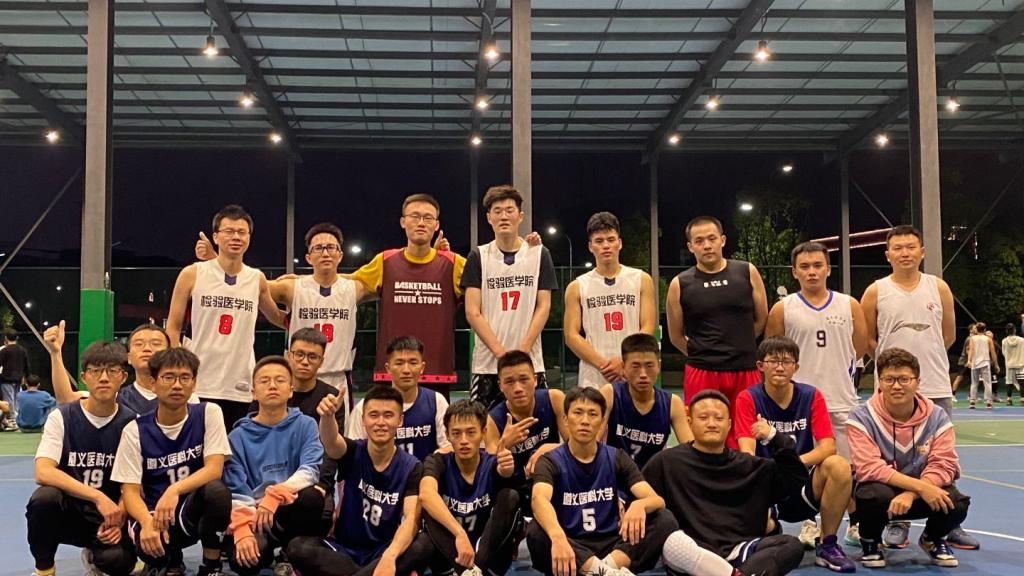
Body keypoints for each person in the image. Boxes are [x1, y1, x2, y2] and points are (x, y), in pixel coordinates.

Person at [764, 241, 868, 546]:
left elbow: (859, 347)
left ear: (828, 269)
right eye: (805, 266)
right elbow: (773, 353)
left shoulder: (849, 304)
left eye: (817, 265)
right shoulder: (783, 309)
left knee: (846, 469)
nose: (812, 272)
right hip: (800, 405)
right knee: (803, 467)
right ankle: (809, 523)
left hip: (841, 400)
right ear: (794, 272)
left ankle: (852, 523)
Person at [645, 389, 807, 576]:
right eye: (703, 418)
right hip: (693, 555)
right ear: (690, 423)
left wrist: (774, 437)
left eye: (719, 418)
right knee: (673, 544)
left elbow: (797, 481)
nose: (711, 424)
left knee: (791, 545)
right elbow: (642, 501)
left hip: (740, 552)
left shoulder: (750, 466)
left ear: (729, 425)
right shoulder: (666, 462)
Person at [734, 337, 856, 573]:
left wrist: (792, 464)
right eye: (773, 361)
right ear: (760, 366)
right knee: (760, 533)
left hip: (802, 480)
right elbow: (747, 453)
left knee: (839, 465)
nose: (780, 367)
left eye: (787, 361)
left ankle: (828, 544)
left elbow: (828, 447)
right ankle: (770, 530)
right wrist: (775, 470)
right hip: (767, 483)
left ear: (796, 367)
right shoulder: (748, 398)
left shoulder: (811, 395)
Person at [527, 387, 677, 576]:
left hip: (612, 545)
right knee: (537, 531)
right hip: (571, 545)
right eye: (578, 413)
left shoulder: (616, 457)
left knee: (664, 519)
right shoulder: (550, 460)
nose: (585, 421)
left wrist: (640, 504)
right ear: (565, 419)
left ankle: (602, 570)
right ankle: (607, 572)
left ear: (602, 423)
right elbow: (539, 499)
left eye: (593, 414)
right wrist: (558, 537)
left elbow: (657, 500)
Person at [112, 348, 233, 576]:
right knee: (153, 552)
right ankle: (170, 560)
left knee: (217, 491)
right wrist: (146, 522)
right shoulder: (135, 430)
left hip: (191, 510)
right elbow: (130, 491)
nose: (177, 385)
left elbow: (214, 469)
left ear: (194, 383)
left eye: (185, 378)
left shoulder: (208, 413)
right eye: (168, 377)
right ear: (153, 383)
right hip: (154, 514)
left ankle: (211, 567)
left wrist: (174, 490)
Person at [847, 348, 971, 568]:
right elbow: (869, 468)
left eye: (904, 379)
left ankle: (932, 539)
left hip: (919, 493)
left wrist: (912, 493)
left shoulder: (937, 416)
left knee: (957, 503)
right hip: (884, 493)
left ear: (917, 382)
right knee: (871, 496)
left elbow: (944, 464)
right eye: (889, 379)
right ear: (880, 382)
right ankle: (871, 541)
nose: (897, 386)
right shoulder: (861, 416)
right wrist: (921, 488)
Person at [167, 204, 288, 429]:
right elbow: (172, 328)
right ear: (215, 236)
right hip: (199, 381)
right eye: (229, 231)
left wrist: (305, 311)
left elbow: (278, 318)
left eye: (242, 232)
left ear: (249, 238)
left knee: (235, 447)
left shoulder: (256, 278)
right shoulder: (193, 273)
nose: (236, 237)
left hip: (240, 382)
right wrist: (181, 370)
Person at [287, 385, 427, 576]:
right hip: (343, 549)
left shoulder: (412, 466)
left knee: (423, 544)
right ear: (363, 420)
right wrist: (328, 417)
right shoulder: (353, 451)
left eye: (388, 415)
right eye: (373, 415)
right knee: (297, 548)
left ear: (400, 420)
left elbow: (411, 519)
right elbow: (331, 442)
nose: (380, 422)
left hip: (383, 550)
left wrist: (390, 556)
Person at [26, 341, 137, 576]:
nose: (104, 378)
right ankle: (44, 570)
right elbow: (43, 471)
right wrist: (97, 496)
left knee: (119, 562)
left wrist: (119, 516)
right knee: (44, 499)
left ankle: (97, 556)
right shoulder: (62, 417)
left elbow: (135, 482)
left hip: (110, 515)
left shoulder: (132, 423)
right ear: (84, 377)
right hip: (71, 511)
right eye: (96, 371)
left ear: (123, 377)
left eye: (112, 371)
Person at [666, 216, 768, 448]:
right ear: (690, 246)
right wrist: (704, 354)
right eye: (699, 241)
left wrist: (738, 346)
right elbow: (676, 335)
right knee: (705, 437)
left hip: (745, 369)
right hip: (702, 371)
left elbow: (762, 319)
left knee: (748, 437)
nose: (707, 245)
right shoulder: (680, 284)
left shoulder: (747, 272)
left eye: (712, 239)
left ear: (722, 240)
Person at [349, 194, 465, 395]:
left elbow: (490, 284)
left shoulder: (453, 263)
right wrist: (302, 280)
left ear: (436, 225)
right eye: (415, 216)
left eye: (428, 218)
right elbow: (344, 283)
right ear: (403, 222)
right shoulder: (385, 261)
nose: (421, 223)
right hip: (391, 374)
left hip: (437, 372)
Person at [224, 356, 325, 575]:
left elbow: (310, 471)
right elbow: (236, 488)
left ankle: (289, 552)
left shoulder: (306, 425)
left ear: (290, 391)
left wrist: (275, 495)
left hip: (288, 507)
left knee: (312, 497)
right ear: (253, 392)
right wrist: (242, 528)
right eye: (264, 381)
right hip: (255, 513)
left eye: (280, 380)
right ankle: (268, 553)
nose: (272, 385)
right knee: (244, 562)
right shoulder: (236, 437)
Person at [463, 185, 557, 408]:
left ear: (520, 216)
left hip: (530, 363)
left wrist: (523, 351)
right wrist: (501, 354)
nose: (503, 216)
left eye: (509, 210)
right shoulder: (478, 256)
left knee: (536, 424)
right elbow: (472, 311)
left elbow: (543, 307)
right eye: (497, 211)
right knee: (483, 425)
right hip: (488, 365)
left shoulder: (539, 254)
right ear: (489, 218)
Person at [415, 399, 522, 576]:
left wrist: (506, 470)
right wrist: (459, 534)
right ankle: (466, 572)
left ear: (484, 432)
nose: (463, 440)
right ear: (447, 435)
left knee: (510, 496)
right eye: (456, 433)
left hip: (489, 560)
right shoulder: (437, 462)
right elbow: (426, 495)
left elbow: (504, 475)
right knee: (427, 506)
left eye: (471, 432)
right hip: (449, 559)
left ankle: (475, 570)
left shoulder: (493, 464)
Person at [564, 212, 656, 388]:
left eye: (611, 239)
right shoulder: (577, 286)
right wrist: (604, 365)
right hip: (594, 375)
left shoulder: (641, 279)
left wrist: (624, 360)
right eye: (599, 241)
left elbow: (647, 327)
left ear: (619, 243)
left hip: (631, 371)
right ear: (590, 246)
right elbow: (571, 335)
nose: (606, 246)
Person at [47, 320, 199, 413]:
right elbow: (66, 398)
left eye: (155, 343)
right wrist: (55, 352)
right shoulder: (115, 396)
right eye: (139, 344)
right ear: (129, 357)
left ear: (168, 352)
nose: (147, 349)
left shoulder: (187, 397)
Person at [347, 336, 449, 460]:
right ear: (388, 368)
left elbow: (449, 447)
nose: (406, 370)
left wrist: (430, 466)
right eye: (399, 363)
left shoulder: (437, 401)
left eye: (413, 363)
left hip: (425, 471)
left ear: (422, 368)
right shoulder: (366, 406)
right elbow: (354, 453)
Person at [600, 333, 692, 469]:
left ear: (659, 366)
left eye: (649, 366)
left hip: (652, 476)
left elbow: (690, 451)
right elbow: (592, 442)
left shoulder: (672, 403)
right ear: (623, 368)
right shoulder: (610, 394)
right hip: (615, 474)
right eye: (635, 366)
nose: (643, 374)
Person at [485, 350, 569, 489]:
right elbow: (489, 472)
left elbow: (577, 446)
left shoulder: (554, 399)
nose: (518, 388)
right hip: (514, 486)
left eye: (524, 379)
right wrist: (504, 444)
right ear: (500, 385)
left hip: (552, 478)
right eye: (509, 382)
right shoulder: (492, 420)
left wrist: (550, 449)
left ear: (535, 380)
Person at [0, 328, 30, 428]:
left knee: (8, 399)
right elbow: (27, 365)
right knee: (16, 398)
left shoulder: (4, 350)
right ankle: (16, 418)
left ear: (6, 338)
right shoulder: (22, 350)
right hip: (18, 378)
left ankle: (12, 420)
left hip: (6, 378)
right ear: (17, 338)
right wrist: (27, 377)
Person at [965, 322, 998, 409]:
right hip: (985, 363)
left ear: (977, 329)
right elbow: (993, 352)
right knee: (987, 383)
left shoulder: (972, 338)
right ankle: (989, 402)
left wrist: (969, 360)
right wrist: (996, 364)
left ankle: (972, 401)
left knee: (974, 383)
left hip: (975, 363)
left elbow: (971, 350)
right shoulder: (988, 339)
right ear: (985, 329)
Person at [1001, 323, 1024, 405]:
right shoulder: (1022, 340)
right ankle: (1022, 399)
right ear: (1014, 330)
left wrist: (1009, 358)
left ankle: (1009, 400)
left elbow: (1003, 353)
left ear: (1007, 331)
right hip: (1020, 364)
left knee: (1009, 382)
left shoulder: (1004, 341)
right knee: (1022, 382)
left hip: (1009, 364)